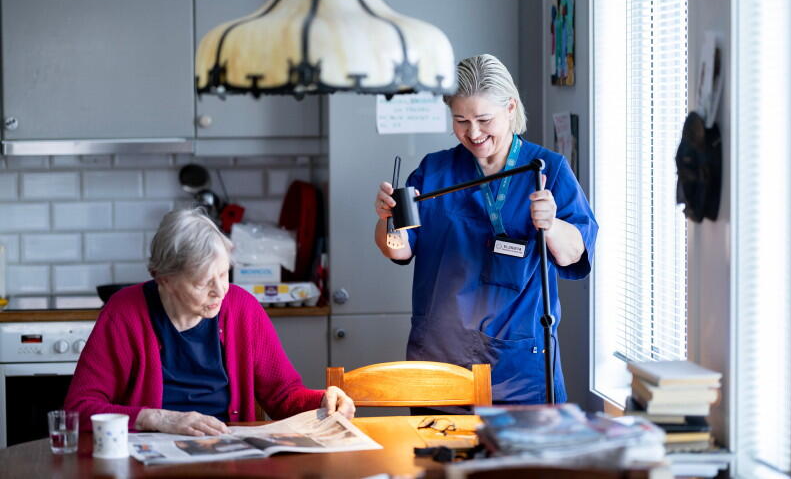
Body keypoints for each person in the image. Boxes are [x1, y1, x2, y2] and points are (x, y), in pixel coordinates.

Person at [373, 54, 598, 406]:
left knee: (523, 462)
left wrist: (551, 225)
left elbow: (574, 253)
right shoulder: (434, 170)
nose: (473, 133)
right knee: (437, 459)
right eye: (461, 120)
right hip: (440, 361)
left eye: (483, 119)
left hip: (519, 368)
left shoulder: (547, 169)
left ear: (510, 108)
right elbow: (397, 248)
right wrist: (388, 218)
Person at [65, 209, 354, 435]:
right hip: (149, 461)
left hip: (228, 455)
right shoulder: (125, 313)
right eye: (204, 282)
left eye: (224, 274)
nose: (220, 291)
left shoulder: (242, 308)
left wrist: (321, 401)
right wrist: (158, 419)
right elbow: (78, 409)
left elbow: (282, 396)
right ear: (164, 279)